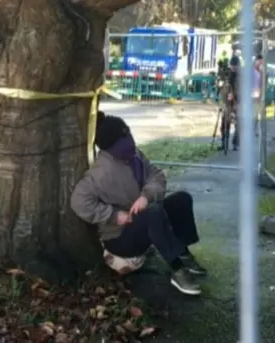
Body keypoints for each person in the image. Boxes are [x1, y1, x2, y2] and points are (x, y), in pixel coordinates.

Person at [70, 112, 207, 296]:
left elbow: (156, 175)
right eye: (123, 137)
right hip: (120, 238)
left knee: (181, 199)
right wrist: (112, 215)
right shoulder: (100, 173)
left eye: (128, 133)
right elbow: (78, 201)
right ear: (112, 147)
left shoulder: (134, 156)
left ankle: (182, 252)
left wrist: (146, 196)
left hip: (143, 217)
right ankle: (177, 269)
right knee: (154, 213)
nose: (129, 140)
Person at [218, 55, 240, 151]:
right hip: (226, 103)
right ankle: (223, 142)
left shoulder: (241, 76)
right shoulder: (227, 75)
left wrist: (234, 95)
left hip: (237, 103)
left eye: (235, 66)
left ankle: (235, 143)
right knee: (224, 124)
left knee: (238, 125)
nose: (233, 67)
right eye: (232, 66)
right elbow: (221, 88)